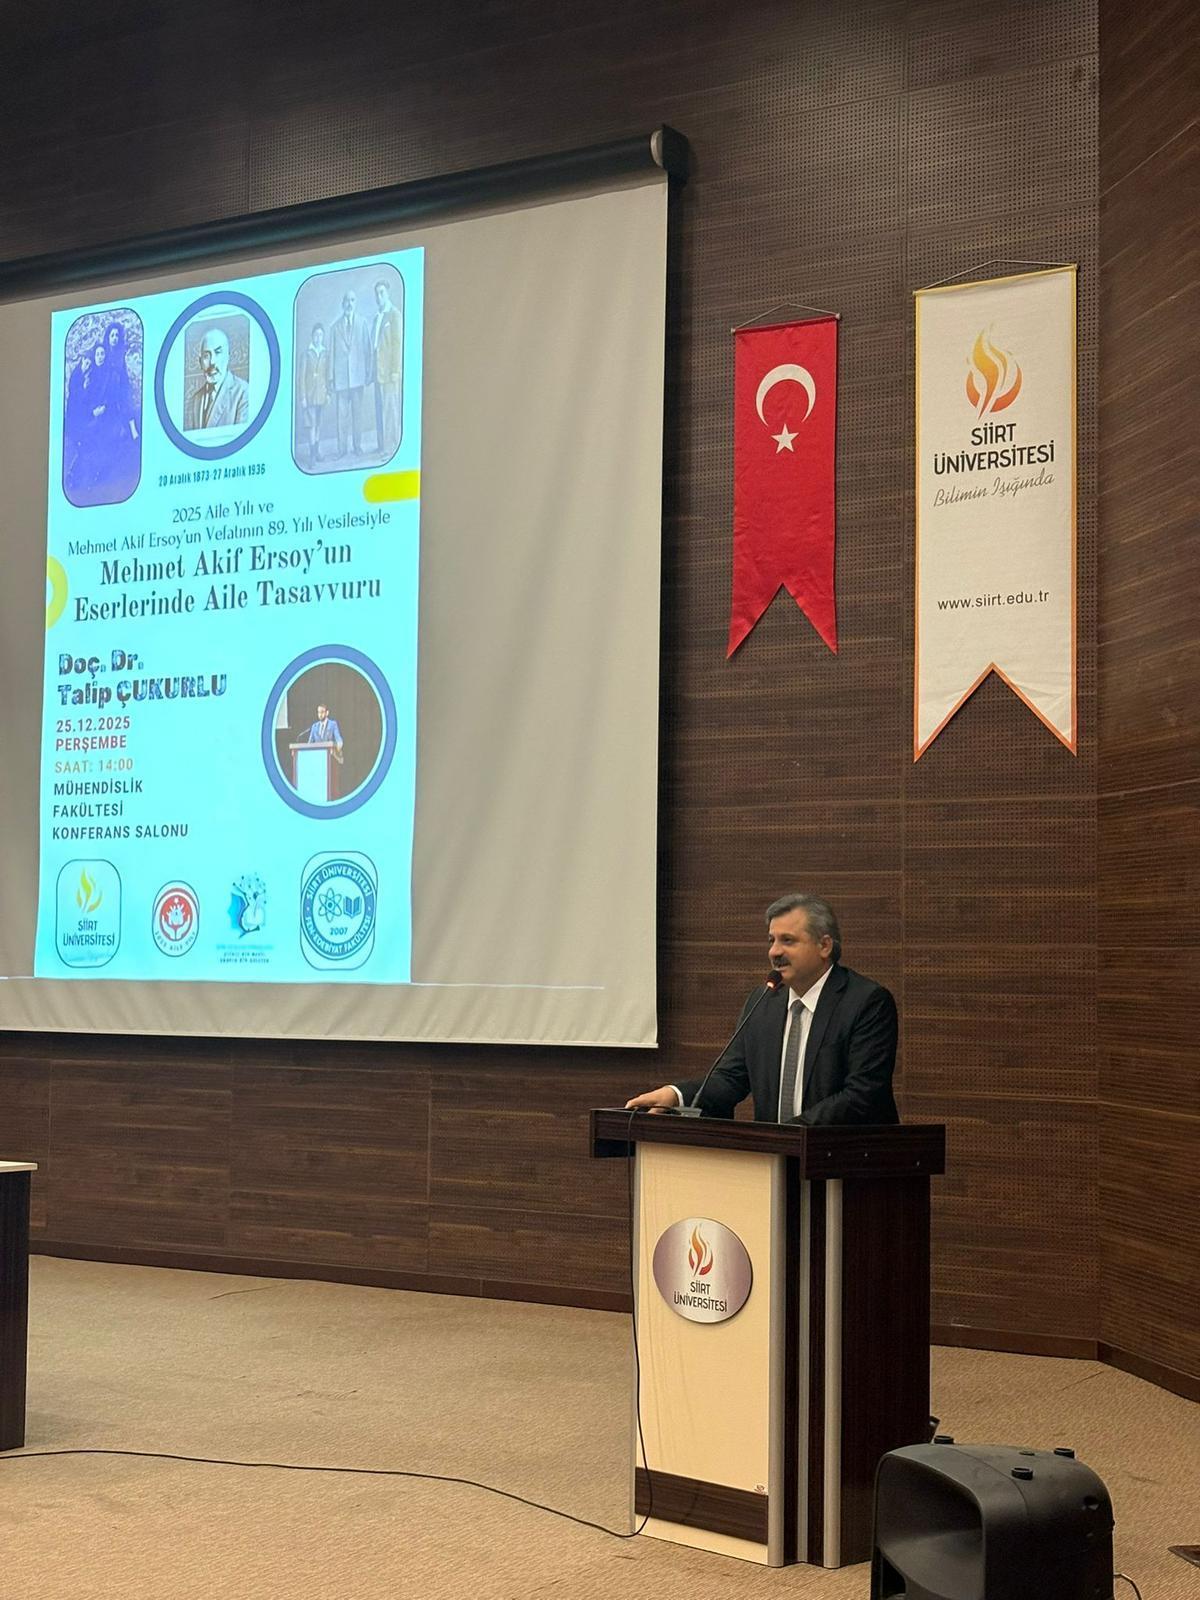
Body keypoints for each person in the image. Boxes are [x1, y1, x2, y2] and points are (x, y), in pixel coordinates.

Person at [625, 893, 899, 1125]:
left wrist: (788, 1134)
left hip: (845, 1161)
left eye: (788, 940)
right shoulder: (764, 1001)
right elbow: (731, 1078)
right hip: (776, 1161)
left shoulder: (866, 1002)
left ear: (824, 946)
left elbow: (862, 1095)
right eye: (771, 940)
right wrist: (676, 1095)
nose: (774, 952)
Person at [327, 288, 373, 457]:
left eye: (352, 300)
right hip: (341, 380)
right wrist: (330, 378)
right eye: (347, 300)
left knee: (357, 415)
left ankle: (357, 446)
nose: (349, 304)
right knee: (342, 417)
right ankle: (342, 450)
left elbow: (368, 351)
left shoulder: (362, 323)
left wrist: (369, 373)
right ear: (342, 304)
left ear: (356, 303)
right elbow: (331, 355)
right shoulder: (334, 328)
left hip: (358, 378)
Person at [184, 325, 249, 431]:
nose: (212, 362)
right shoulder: (194, 401)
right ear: (200, 362)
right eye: (206, 356)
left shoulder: (244, 393)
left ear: (228, 356)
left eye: (218, 353)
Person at [371, 279, 402, 458]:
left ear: (388, 293)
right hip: (378, 372)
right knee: (380, 409)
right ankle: (382, 445)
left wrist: (395, 370)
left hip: (390, 373)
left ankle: (391, 448)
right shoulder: (377, 317)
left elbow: (397, 344)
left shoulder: (394, 315)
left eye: (381, 292)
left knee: (390, 411)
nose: (379, 296)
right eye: (377, 294)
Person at [298, 322, 329, 464]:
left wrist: (328, 393)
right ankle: (311, 455)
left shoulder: (325, 353)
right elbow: (301, 378)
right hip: (310, 396)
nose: (318, 338)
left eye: (321, 335)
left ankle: (317, 451)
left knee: (318, 424)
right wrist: (303, 397)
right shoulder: (306, 354)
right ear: (312, 336)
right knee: (311, 424)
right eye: (316, 335)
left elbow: (327, 375)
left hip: (321, 395)